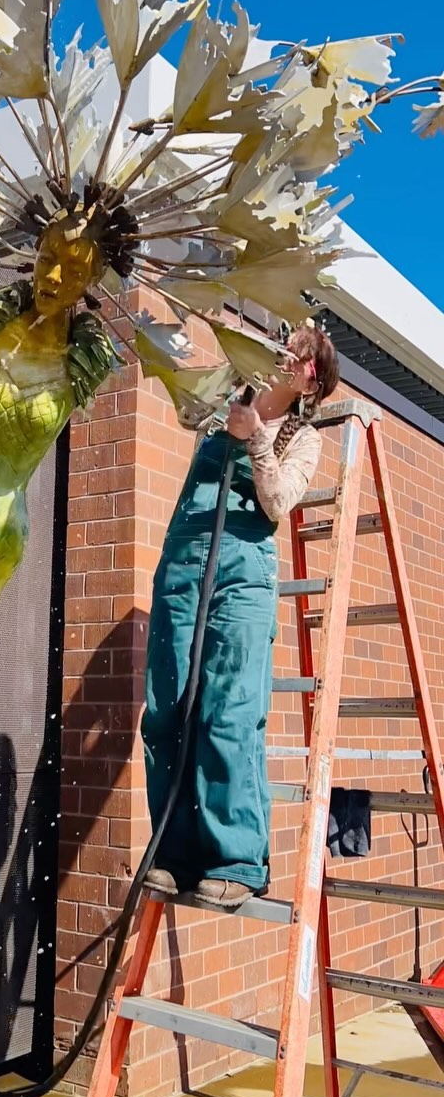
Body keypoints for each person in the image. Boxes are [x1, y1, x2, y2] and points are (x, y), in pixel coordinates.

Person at [141, 324, 340, 909]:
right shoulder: (230, 397)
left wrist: (255, 439)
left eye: (294, 349)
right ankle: (173, 855)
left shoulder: (301, 437)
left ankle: (237, 859)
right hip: (183, 566)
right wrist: (229, 380)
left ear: (309, 373)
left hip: (243, 575)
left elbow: (278, 505)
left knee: (228, 713)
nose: (282, 353)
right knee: (166, 712)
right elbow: (185, 412)